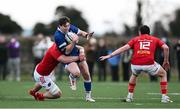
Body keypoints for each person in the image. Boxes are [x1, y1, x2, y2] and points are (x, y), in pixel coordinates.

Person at [99, 25, 173, 103]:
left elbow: (123, 48)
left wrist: (109, 56)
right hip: (149, 64)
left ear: (140, 32)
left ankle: (129, 97)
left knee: (134, 74)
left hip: (135, 64)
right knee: (164, 74)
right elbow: (166, 48)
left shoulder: (135, 39)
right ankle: (164, 98)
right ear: (149, 32)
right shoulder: (155, 39)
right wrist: (166, 61)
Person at [54, 16, 95, 102]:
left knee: (86, 74)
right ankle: (72, 76)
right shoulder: (58, 36)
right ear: (60, 26)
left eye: (68, 25)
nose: (68, 28)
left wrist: (86, 35)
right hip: (67, 56)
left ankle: (88, 96)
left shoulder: (69, 26)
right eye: (65, 26)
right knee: (76, 73)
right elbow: (67, 51)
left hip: (76, 52)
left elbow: (80, 32)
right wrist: (73, 41)